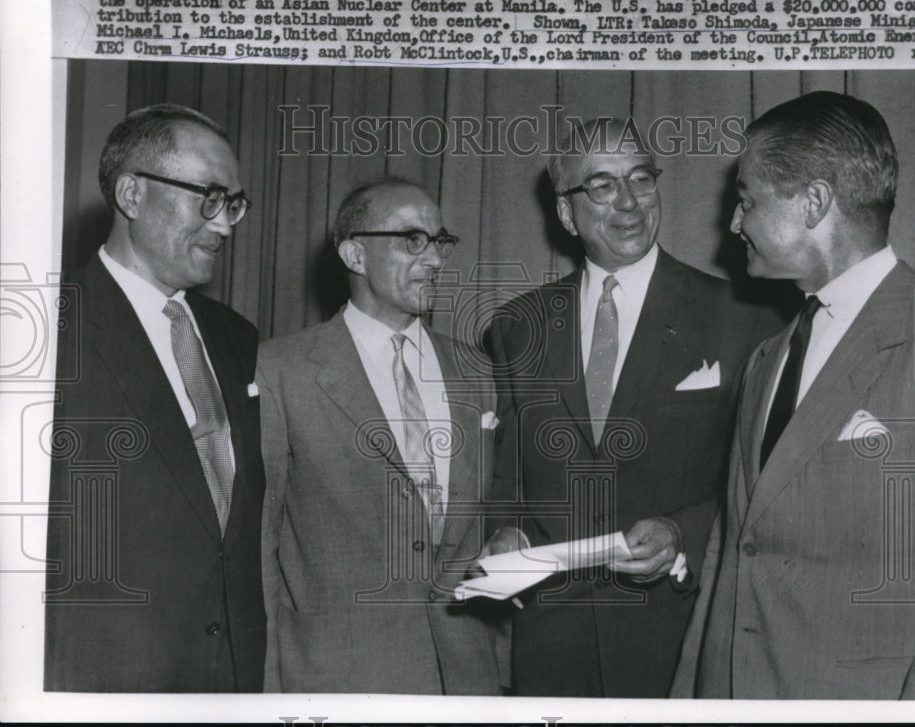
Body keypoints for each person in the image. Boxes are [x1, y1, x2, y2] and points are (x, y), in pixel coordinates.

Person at [483, 118, 785, 697]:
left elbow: (762, 485)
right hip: (551, 642)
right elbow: (507, 474)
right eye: (601, 185)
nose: (628, 202)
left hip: (681, 633)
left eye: (641, 178)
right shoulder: (516, 327)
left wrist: (682, 534)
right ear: (567, 215)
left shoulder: (744, 316)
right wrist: (506, 532)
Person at [670, 91, 915, 699]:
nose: (733, 224)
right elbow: (731, 549)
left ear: (815, 203)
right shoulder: (765, 360)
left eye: (747, 202)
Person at [44, 104, 266, 692]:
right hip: (109, 682)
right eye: (210, 197)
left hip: (234, 682)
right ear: (132, 195)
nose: (225, 225)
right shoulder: (48, 331)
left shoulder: (236, 337)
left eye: (234, 204)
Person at [257, 179, 503, 694]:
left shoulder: (475, 369)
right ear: (354, 254)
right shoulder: (281, 369)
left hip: (462, 679)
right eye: (412, 240)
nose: (434, 259)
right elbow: (261, 544)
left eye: (440, 241)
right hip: (337, 677)